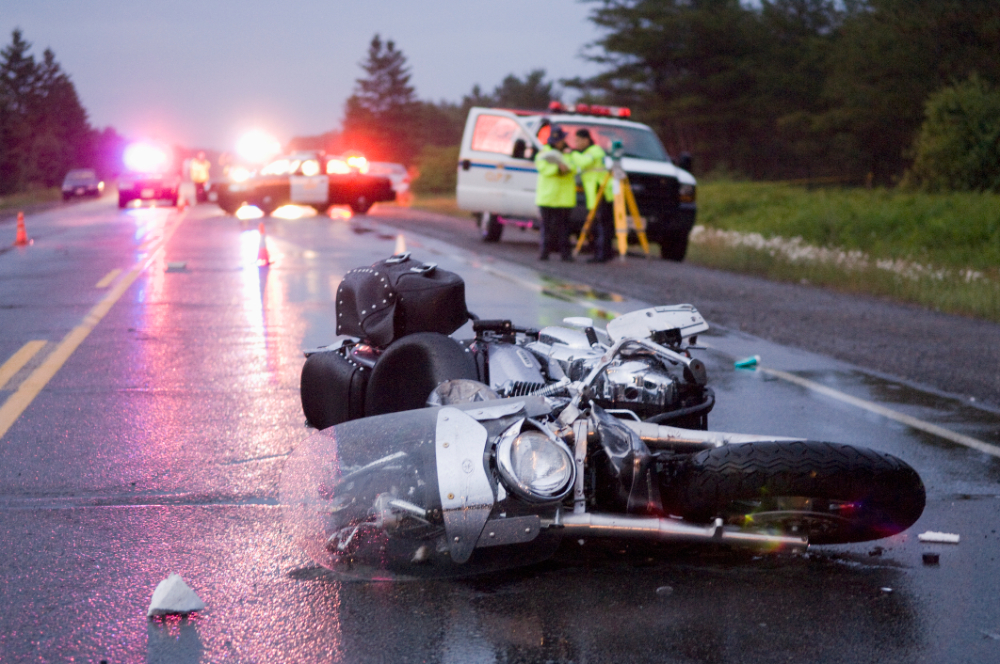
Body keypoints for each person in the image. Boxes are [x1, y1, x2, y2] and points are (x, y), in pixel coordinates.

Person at [533, 127, 577, 261]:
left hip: (564, 198)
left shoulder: (570, 153)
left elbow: (575, 167)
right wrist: (557, 168)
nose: (560, 143)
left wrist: (567, 168)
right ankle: (544, 252)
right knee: (546, 228)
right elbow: (542, 168)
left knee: (564, 229)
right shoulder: (543, 152)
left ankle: (565, 254)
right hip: (547, 197)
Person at [572, 128, 614, 263]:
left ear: (586, 140)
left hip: (601, 191)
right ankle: (601, 252)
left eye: (578, 140)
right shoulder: (588, 152)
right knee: (598, 224)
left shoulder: (595, 150)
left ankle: (602, 254)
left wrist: (573, 153)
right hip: (594, 192)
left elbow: (584, 162)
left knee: (602, 224)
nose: (576, 143)